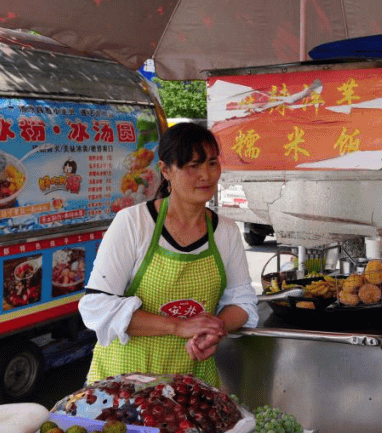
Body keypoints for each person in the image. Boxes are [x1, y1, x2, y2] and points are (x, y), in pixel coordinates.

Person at [79, 122, 258, 385]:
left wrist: (214, 329)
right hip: (126, 381)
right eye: (192, 166)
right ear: (165, 170)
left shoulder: (226, 231)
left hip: (192, 384)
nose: (205, 175)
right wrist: (178, 326)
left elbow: (242, 301)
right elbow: (97, 305)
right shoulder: (133, 223)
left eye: (211, 163)